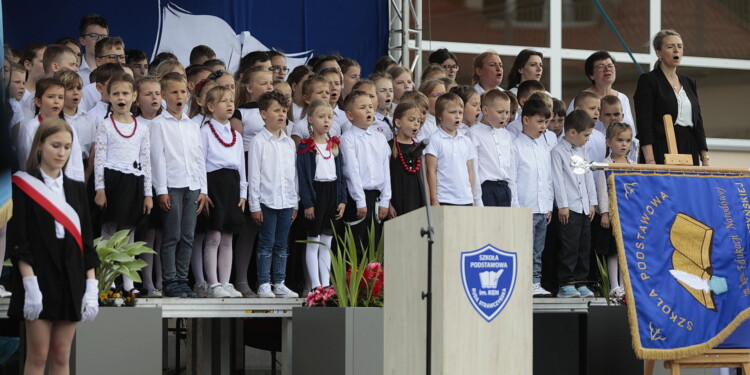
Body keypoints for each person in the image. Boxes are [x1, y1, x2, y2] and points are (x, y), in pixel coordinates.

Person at [8, 118, 100, 374]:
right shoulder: (23, 186)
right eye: (55, 145)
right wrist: (30, 284)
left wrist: (91, 284)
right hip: (37, 276)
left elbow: (86, 240)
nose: (62, 153)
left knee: (61, 355)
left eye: (67, 147)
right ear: (40, 144)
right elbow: (20, 240)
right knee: (37, 356)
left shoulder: (76, 189)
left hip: (70, 275)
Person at [150, 72, 208, 298]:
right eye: (174, 92)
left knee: (188, 235)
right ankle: (170, 280)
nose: (179, 96)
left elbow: (199, 158)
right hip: (172, 185)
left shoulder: (192, 126)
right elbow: (158, 158)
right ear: (164, 95)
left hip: (192, 185)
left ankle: (183, 279)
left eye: (183, 91)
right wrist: (161, 190)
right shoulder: (158, 124)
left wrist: (203, 189)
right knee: (172, 234)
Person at [94, 73, 152, 295]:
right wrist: (100, 189)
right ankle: (106, 282)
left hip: (134, 181)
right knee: (108, 231)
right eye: (116, 93)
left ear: (134, 96)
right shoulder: (105, 125)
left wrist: (148, 194)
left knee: (129, 233)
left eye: (126, 93)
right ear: (109, 97)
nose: (121, 97)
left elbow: (146, 161)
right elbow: (99, 159)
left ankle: (128, 284)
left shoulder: (142, 128)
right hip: (112, 181)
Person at [248, 90, 299, 298]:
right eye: (276, 110)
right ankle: (263, 283)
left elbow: (292, 175)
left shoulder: (288, 143)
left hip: (286, 201)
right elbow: (254, 175)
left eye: (284, 110)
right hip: (267, 201)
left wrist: (295, 202)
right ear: (263, 114)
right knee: (266, 242)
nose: (281, 114)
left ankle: (279, 281)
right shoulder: (259, 141)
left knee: (282, 243)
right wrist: (255, 205)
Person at [634, 29, 708, 166]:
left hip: (688, 144)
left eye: (680, 46)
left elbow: (698, 123)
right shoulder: (649, 80)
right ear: (659, 53)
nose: (676, 50)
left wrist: (705, 158)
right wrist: (650, 160)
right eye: (670, 47)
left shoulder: (689, 82)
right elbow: (644, 123)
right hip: (661, 144)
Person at [199, 86, 246, 298]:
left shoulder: (235, 135)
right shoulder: (205, 131)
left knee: (228, 236)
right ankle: (213, 283)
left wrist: (243, 192)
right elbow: (200, 162)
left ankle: (226, 282)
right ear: (210, 106)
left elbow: (241, 166)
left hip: (232, 185)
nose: (229, 104)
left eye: (231, 100)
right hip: (213, 184)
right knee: (214, 236)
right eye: (223, 101)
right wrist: (203, 190)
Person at [296, 99, 347, 290]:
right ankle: (315, 284)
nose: (326, 121)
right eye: (321, 116)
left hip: (331, 193)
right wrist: (308, 203)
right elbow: (303, 177)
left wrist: (342, 199)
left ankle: (326, 284)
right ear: (310, 119)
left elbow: (340, 174)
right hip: (316, 193)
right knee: (314, 240)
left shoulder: (334, 145)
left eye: (329, 117)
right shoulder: (306, 147)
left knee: (327, 241)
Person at [551, 110, 597, 298]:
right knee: (569, 247)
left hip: (584, 207)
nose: (587, 139)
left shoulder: (583, 150)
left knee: (583, 247)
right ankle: (566, 283)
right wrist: (562, 205)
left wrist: (592, 202)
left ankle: (581, 282)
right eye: (586, 135)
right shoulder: (557, 152)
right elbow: (558, 179)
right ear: (572, 132)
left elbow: (587, 178)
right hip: (569, 208)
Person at [340, 90, 392, 252]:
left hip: (376, 197)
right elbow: (351, 171)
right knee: (356, 245)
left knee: (374, 244)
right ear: (349, 115)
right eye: (362, 107)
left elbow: (385, 170)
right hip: (357, 197)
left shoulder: (380, 138)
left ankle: (373, 277)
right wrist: (360, 200)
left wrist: (385, 200)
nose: (369, 111)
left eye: (370, 107)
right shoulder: (347, 138)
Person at [512, 98, 554, 297]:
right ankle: (521, 282)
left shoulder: (543, 147)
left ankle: (535, 281)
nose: (544, 127)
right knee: (523, 247)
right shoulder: (515, 146)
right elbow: (512, 179)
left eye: (546, 122)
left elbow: (547, 178)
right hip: (524, 206)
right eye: (540, 122)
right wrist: (516, 207)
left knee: (538, 249)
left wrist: (548, 205)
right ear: (525, 120)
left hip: (541, 207)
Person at [16, 78, 85, 183]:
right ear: (38, 101)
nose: (56, 101)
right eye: (51, 97)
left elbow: (76, 161)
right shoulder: (30, 128)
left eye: (60, 97)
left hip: (66, 184)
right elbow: (25, 161)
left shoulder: (68, 128)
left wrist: (77, 187)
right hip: (38, 184)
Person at [594, 122, 634, 299]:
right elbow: (602, 189)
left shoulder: (633, 164)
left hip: (628, 214)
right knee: (612, 250)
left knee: (624, 250)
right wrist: (604, 212)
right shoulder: (606, 164)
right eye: (619, 140)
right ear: (608, 142)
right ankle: (614, 285)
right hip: (613, 213)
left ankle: (625, 284)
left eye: (627, 140)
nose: (624, 144)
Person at [134, 76, 164, 297]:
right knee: (147, 235)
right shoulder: (135, 125)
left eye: (157, 93)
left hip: (164, 184)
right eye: (148, 94)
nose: (154, 98)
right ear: (137, 100)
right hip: (143, 185)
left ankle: (162, 281)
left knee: (163, 235)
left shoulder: (166, 123)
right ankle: (147, 282)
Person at [425, 93, 476, 207]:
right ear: (440, 115)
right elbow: (431, 172)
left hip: (465, 199)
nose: (457, 116)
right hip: (444, 197)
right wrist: (434, 199)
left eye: (460, 112)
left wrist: (471, 195)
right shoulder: (434, 139)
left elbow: (470, 171)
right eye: (452, 112)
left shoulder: (466, 140)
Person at [567, 50, 635, 134]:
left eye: (610, 66)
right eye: (601, 67)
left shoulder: (623, 98)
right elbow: (568, 130)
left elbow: (631, 130)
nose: (607, 69)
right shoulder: (581, 99)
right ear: (591, 75)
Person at [469, 89, 514, 207]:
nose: (504, 116)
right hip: (487, 189)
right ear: (485, 110)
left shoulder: (506, 135)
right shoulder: (474, 133)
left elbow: (511, 168)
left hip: (505, 188)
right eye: (500, 112)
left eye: (507, 112)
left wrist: (514, 199)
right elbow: (473, 169)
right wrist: (477, 200)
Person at [388, 102, 425, 219]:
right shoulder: (389, 146)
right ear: (398, 122)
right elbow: (384, 177)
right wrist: (387, 203)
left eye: (419, 121)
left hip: (416, 198)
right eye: (411, 120)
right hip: (397, 197)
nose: (416, 124)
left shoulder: (419, 147)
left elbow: (424, 178)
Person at [573, 91, 607, 164]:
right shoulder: (570, 135)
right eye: (592, 108)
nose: (596, 113)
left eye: (598, 109)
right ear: (578, 110)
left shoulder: (601, 136)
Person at [77, 14, 109, 85]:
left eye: (104, 36)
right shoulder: (74, 69)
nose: (100, 40)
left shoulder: (114, 70)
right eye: (94, 36)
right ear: (82, 41)